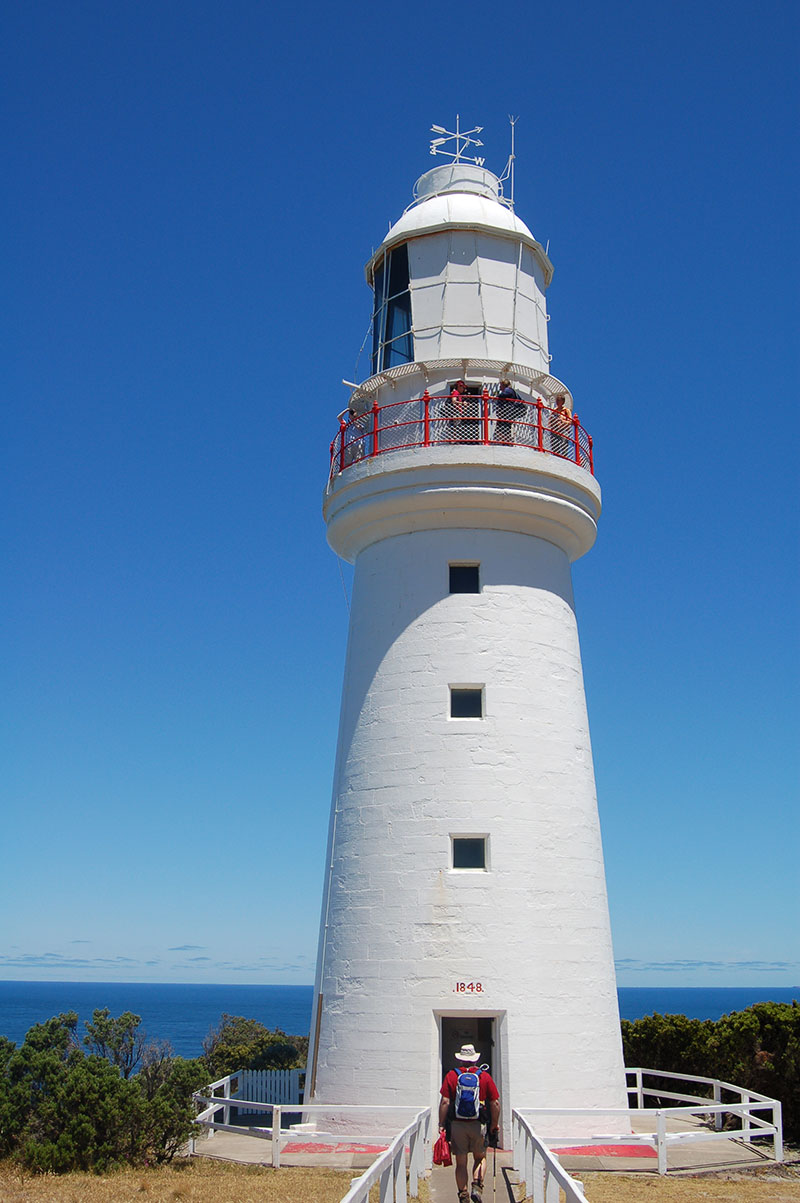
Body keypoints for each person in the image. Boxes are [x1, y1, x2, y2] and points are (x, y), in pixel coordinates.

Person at [439, 1043, 500, 1203]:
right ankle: (476, 1187)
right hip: (478, 1124)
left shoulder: (452, 1075)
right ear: (475, 1059)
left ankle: (463, 1194)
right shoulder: (484, 1076)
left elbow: (445, 1101)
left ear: (460, 1059)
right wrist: (494, 1124)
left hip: (458, 1125)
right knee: (480, 1158)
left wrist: (441, 1124)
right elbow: (495, 1103)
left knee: (461, 1162)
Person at [494, 379, 525, 444]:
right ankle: (506, 441)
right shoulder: (510, 390)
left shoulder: (508, 390)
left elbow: (505, 394)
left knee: (503, 427)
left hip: (506, 413)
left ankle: (506, 441)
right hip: (508, 413)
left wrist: (497, 396)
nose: (499, 387)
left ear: (503, 385)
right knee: (505, 428)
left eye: (500, 385)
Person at [548, 393, 573, 459]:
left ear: (562, 401)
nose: (557, 402)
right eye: (557, 400)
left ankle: (564, 458)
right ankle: (556, 458)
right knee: (555, 447)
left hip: (563, 430)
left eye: (559, 400)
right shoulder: (554, 411)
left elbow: (570, 421)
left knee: (564, 445)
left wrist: (562, 421)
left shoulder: (566, 410)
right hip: (555, 430)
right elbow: (550, 422)